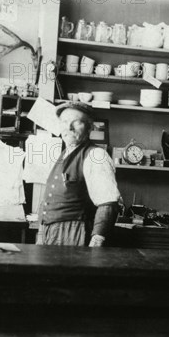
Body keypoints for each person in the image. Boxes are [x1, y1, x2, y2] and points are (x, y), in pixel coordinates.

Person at [36, 101, 120, 247]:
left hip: (74, 232)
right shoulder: (64, 153)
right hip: (50, 232)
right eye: (64, 122)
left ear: (89, 128)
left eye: (76, 123)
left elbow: (108, 203)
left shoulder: (96, 155)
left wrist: (97, 240)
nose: (69, 128)